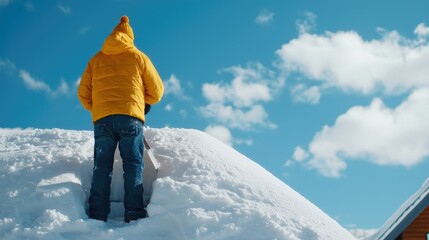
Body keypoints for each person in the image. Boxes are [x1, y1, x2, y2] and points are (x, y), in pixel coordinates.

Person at [78, 15, 164, 223]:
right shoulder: (138, 57)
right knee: (133, 164)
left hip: (103, 120)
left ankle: (98, 214)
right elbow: (157, 91)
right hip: (130, 118)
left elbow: (83, 93)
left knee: (102, 166)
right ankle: (134, 212)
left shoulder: (96, 59)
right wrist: (143, 103)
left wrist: (99, 108)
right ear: (130, 37)